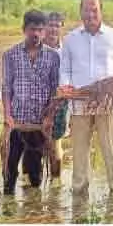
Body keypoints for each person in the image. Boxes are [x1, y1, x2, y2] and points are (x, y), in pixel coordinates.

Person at [59, 0, 113, 198]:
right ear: (80, 12)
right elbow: (65, 70)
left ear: (101, 11)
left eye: (94, 10)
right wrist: (66, 87)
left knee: (111, 151)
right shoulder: (70, 39)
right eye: (86, 10)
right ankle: (79, 193)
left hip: (107, 105)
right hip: (79, 105)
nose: (90, 14)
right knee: (79, 152)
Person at [1, 9, 60, 196]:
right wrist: (7, 115)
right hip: (16, 124)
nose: (36, 34)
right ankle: (8, 210)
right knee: (9, 171)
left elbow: (55, 91)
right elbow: (6, 89)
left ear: (44, 32)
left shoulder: (53, 57)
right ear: (24, 29)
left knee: (35, 175)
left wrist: (50, 117)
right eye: (32, 29)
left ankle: (32, 212)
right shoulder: (10, 55)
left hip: (38, 125)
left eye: (40, 30)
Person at [44, 12, 68, 179]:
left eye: (56, 25)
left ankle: (56, 183)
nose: (53, 29)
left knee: (56, 143)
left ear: (61, 27)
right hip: (37, 101)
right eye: (50, 25)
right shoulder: (35, 48)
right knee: (33, 144)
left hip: (60, 101)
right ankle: (32, 185)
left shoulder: (67, 51)